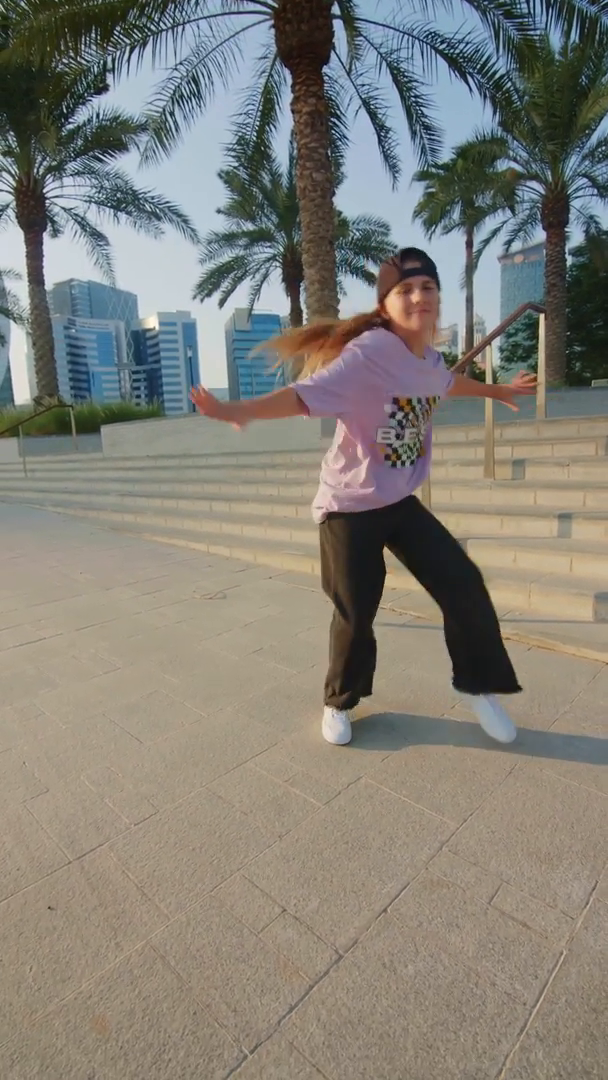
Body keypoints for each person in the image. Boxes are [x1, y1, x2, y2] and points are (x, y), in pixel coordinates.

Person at [190, 247, 535, 747]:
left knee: (462, 581)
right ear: (385, 305)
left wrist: (497, 391)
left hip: (397, 501)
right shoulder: (369, 354)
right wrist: (240, 411)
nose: (418, 297)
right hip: (349, 505)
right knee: (356, 609)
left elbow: (446, 383)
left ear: (438, 298)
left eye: (428, 288)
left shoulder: (428, 360)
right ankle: (339, 701)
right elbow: (306, 393)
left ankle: (477, 684)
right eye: (405, 290)